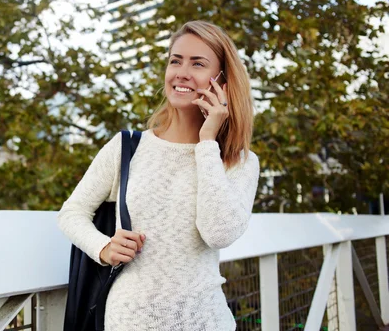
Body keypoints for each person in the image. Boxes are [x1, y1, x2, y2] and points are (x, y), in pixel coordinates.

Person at [57, 20, 260, 330]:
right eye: (175, 60)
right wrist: (103, 247)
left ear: (223, 82)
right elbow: (72, 213)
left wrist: (207, 143)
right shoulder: (127, 147)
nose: (181, 72)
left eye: (198, 63)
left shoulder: (238, 161)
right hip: (129, 321)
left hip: (205, 321)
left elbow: (219, 233)